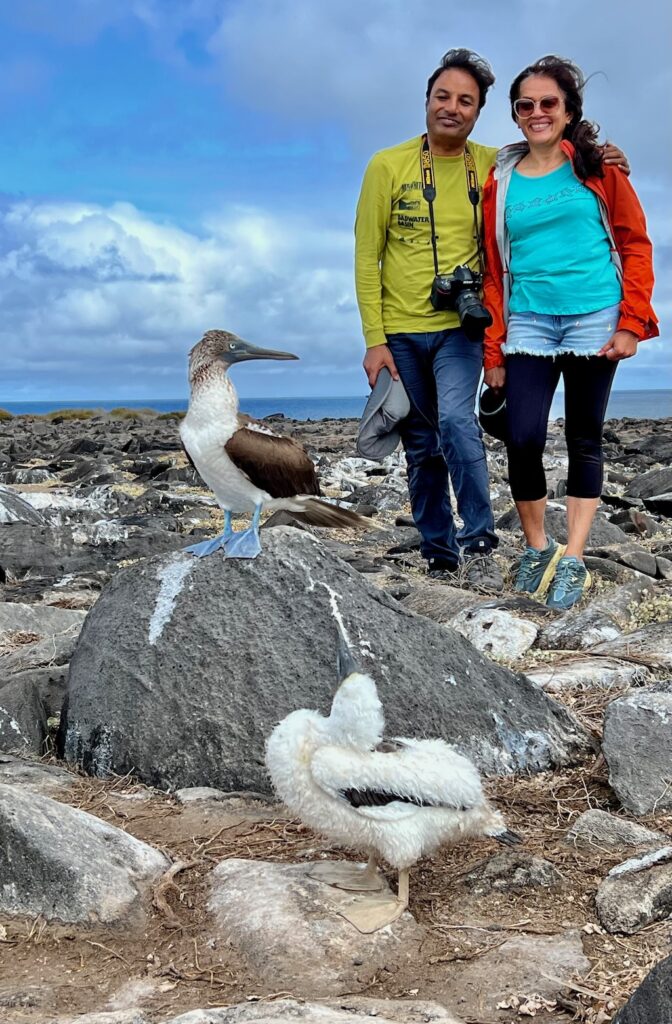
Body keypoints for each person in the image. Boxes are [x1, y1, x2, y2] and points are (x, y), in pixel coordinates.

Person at [354, 48, 627, 595]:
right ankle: (438, 551)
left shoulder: (494, 163)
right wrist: (375, 339)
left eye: (466, 101)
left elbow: (556, 160)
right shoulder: (388, 165)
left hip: (464, 326)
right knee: (421, 443)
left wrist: (601, 155)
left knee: (459, 423)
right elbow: (368, 255)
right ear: (427, 101)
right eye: (443, 97)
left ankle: (480, 543)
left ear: (479, 112)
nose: (452, 108)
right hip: (401, 330)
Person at [482, 55, 658, 610]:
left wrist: (631, 323)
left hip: (594, 317)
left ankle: (575, 558)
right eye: (526, 105)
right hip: (528, 319)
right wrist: (493, 350)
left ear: (568, 110)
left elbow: (634, 244)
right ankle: (537, 547)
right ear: (515, 115)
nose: (537, 113)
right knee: (525, 436)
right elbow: (491, 267)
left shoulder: (598, 168)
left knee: (584, 435)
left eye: (548, 104)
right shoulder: (500, 179)